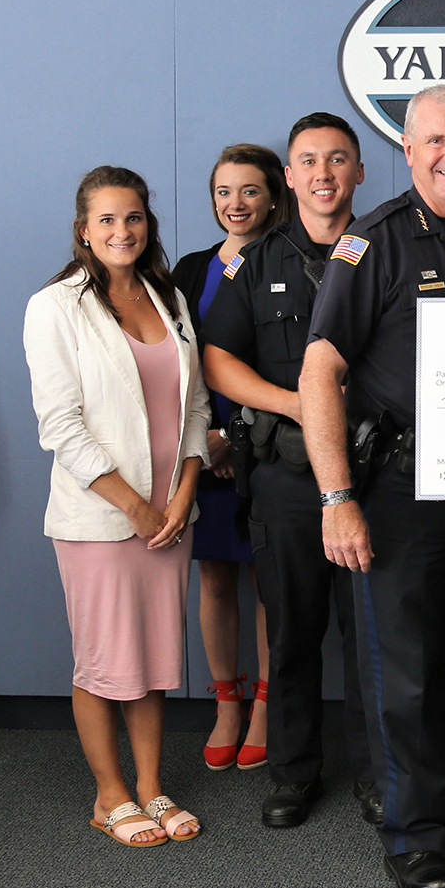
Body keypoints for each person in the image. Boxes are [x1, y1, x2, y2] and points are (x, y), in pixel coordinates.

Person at [299, 84, 445, 888]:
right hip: (400, 492)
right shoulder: (376, 243)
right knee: (403, 675)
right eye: (436, 140)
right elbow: (319, 371)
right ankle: (410, 834)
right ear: (407, 149)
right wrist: (337, 498)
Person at [200, 114, 381, 829]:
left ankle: (376, 776)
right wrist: (298, 404)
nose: (324, 173)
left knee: (370, 640)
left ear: (359, 172)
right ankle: (293, 774)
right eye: (308, 160)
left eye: (338, 159)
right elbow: (218, 358)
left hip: (372, 479)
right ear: (291, 175)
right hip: (284, 478)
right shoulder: (260, 259)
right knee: (294, 633)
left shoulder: (388, 246)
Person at [24, 165, 211, 846]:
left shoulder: (169, 298)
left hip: (170, 516)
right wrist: (134, 504)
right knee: (103, 659)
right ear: (82, 231)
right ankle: (110, 794)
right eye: (105, 219)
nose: (121, 230)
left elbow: (194, 406)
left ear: (147, 225)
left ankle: (152, 786)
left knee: (155, 653)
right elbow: (60, 424)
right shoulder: (55, 308)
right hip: (103, 519)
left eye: (132, 217)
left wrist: (184, 491)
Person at [170, 144, 287, 772]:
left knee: (267, 581)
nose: (235, 204)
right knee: (214, 575)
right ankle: (227, 703)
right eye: (223, 192)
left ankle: (266, 705)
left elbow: (288, 362)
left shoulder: (291, 260)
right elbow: (177, 364)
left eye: (248, 191)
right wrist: (202, 441)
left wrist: (236, 435)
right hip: (201, 448)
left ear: (273, 195)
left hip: (264, 443)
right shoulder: (189, 269)